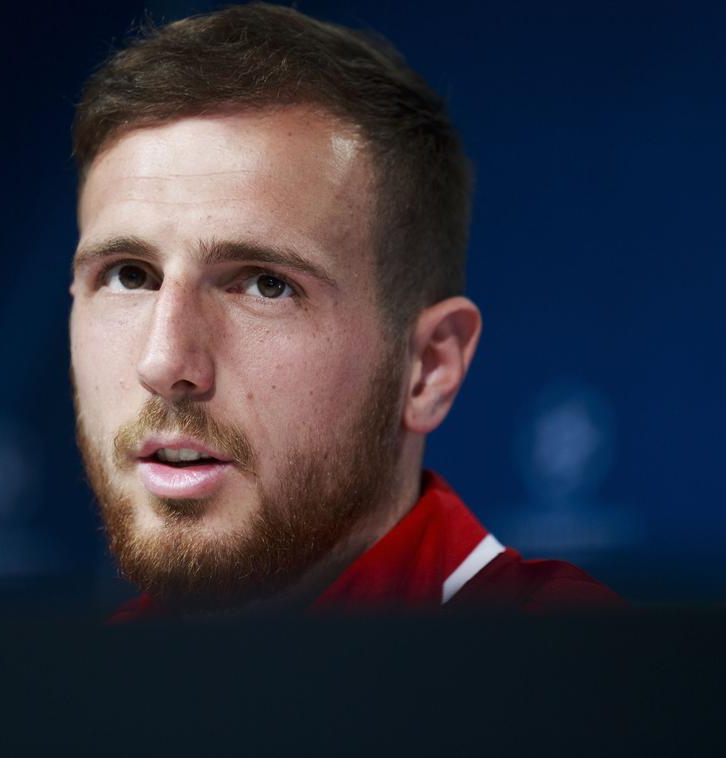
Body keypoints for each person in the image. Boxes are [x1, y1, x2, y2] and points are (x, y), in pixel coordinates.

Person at [68, 3, 623, 618]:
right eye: (129, 275)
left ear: (428, 368)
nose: (164, 360)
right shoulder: (67, 690)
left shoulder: (583, 676)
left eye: (264, 285)